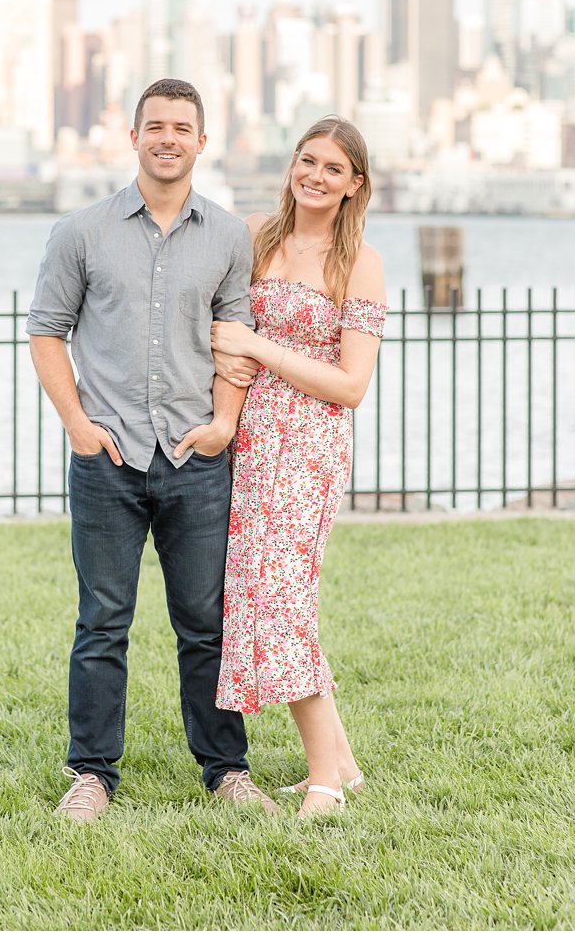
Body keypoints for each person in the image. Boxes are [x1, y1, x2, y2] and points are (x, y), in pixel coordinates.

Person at [29, 77, 277, 821]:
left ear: (203, 142)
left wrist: (225, 424)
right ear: (132, 136)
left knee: (205, 622)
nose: (168, 138)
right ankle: (92, 773)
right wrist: (77, 423)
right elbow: (47, 331)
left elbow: (235, 341)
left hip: (196, 460)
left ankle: (225, 768)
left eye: (182, 127)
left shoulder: (231, 236)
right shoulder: (81, 232)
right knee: (102, 621)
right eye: (155, 126)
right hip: (106, 460)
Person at [209, 114, 386, 819]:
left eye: (333, 168)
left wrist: (260, 345)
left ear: (354, 185)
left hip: (307, 449)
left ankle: (325, 783)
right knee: (270, 600)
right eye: (307, 160)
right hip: (248, 444)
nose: (315, 175)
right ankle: (341, 759)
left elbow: (351, 385)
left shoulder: (359, 263)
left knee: (281, 602)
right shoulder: (255, 234)